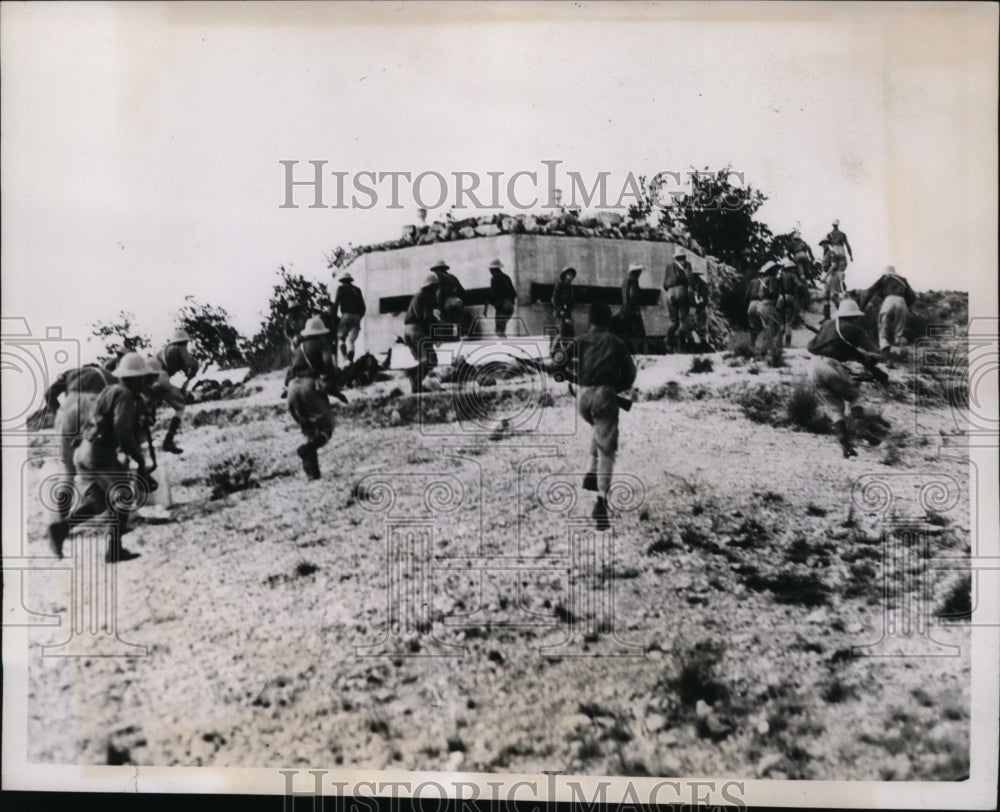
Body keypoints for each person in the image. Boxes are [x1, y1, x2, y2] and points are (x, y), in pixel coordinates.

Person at [47, 352, 155, 563]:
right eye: (143, 377)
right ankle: (114, 550)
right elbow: (122, 430)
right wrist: (139, 460)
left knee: (99, 502)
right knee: (123, 494)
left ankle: (60, 529)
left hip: (82, 453)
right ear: (136, 378)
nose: (145, 382)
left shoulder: (109, 391)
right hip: (99, 453)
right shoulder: (124, 395)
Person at [574, 303, 637, 529]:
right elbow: (630, 374)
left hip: (582, 398)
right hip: (605, 396)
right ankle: (601, 501)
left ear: (589, 321)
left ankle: (591, 472)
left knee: (598, 427)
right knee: (607, 447)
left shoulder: (579, 341)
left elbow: (560, 363)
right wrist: (615, 389)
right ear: (608, 321)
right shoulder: (615, 342)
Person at [807, 298, 890, 458]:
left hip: (813, 367)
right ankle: (859, 428)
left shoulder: (827, 324)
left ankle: (846, 447)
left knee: (835, 408)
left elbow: (810, 347)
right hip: (832, 366)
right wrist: (873, 360)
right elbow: (875, 354)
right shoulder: (855, 330)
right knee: (856, 396)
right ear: (855, 316)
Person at [284, 317, 341, 479]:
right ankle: (307, 450)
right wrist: (333, 381)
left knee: (309, 429)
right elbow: (328, 364)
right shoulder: (322, 344)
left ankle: (312, 473)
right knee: (326, 428)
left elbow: (289, 373)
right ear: (321, 333)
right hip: (309, 387)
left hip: (292, 388)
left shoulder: (298, 348)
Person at [152, 329, 199, 454]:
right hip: (161, 377)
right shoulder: (180, 348)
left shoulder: (163, 351)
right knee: (180, 408)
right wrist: (192, 372)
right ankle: (168, 440)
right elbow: (189, 365)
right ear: (184, 341)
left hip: (148, 378)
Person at [860, 266, 917, 357]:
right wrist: (907, 306)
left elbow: (870, 292)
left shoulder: (884, 278)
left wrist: (862, 307)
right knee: (898, 332)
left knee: (883, 330)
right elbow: (913, 297)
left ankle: (887, 356)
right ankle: (899, 355)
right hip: (902, 302)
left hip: (889, 301)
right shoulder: (903, 280)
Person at [403, 274, 441, 394]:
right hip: (417, 331)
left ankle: (416, 385)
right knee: (431, 359)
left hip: (408, 330)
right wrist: (436, 331)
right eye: (436, 287)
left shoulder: (417, 296)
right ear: (432, 287)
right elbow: (427, 317)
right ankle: (412, 374)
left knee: (422, 359)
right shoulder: (426, 296)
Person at [332, 272, 366, 362]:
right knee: (351, 340)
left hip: (346, 315)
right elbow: (363, 307)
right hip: (357, 316)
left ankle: (345, 358)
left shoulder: (341, 288)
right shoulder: (357, 290)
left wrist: (333, 317)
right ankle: (350, 360)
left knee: (341, 338)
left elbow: (336, 304)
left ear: (342, 281)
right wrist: (359, 317)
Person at [662, 250, 692, 353]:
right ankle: (681, 345)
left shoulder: (669, 266)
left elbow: (664, 284)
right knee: (684, 319)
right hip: (681, 290)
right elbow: (690, 278)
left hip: (670, 292)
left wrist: (671, 290)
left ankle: (668, 340)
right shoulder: (687, 264)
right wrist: (691, 289)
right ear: (684, 257)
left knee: (674, 322)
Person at [745, 263, 777, 354]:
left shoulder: (753, 281)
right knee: (769, 326)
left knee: (754, 328)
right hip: (763, 303)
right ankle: (767, 347)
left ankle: (753, 346)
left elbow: (746, 296)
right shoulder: (769, 279)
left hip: (752, 303)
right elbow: (771, 292)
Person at [430, 260, 466, 338]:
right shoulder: (453, 277)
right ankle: (460, 335)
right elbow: (462, 291)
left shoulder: (440, 279)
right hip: (458, 301)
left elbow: (440, 294)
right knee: (458, 319)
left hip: (447, 303)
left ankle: (452, 336)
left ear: (439, 270)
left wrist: (439, 307)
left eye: (436, 271)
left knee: (448, 320)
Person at [775, 260, 807, 347]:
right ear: (790, 269)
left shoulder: (780, 277)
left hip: (780, 297)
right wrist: (802, 294)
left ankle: (779, 343)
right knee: (788, 323)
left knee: (781, 322)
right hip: (789, 297)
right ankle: (788, 345)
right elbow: (800, 285)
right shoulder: (792, 275)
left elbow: (775, 287)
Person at [485, 258, 517, 338]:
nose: (490, 271)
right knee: (502, 328)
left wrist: (495, 304)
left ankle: (504, 346)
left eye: (490, 269)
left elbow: (493, 294)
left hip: (502, 306)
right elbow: (514, 293)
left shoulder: (495, 278)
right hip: (510, 306)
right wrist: (510, 302)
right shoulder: (507, 277)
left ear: (494, 269)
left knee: (499, 330)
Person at [619, 262, 646, 347]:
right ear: (636, 272)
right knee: (638, 330)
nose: (641, 273)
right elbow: (632, 295)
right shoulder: (633, 280)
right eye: (639, 271)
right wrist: (636, 309)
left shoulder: (626, 279)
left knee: (627, 331)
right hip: (631, 308)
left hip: (625, 308)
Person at [824, 219, 853, 284]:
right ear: (838, 225)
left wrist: (827, 256)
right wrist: (851, 255)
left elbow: (826, 245)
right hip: (841, 250)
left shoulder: (829, 235)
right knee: (841, 269)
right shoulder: (842, 234)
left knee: (834, 268)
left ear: (832, 225)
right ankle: (842, 282)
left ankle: (834, 285)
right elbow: (847, 245)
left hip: (834, 250)